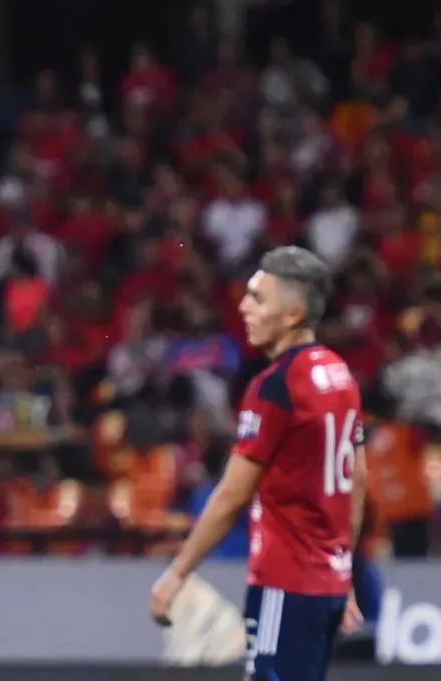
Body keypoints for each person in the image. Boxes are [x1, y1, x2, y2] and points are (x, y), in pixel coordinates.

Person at [149, 246, 367, 681]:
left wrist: (177, 573)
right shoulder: (340, 374)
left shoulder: (276, 386)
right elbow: (356, 479)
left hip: (285, 585)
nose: (244, 307)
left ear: (292, 313)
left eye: (258, 297)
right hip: (325, 584)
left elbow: (231, 495)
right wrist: (342, 572)